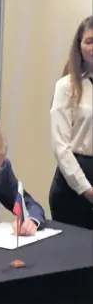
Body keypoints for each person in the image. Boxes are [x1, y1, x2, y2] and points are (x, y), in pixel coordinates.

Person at [49, 15, 93, 230]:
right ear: (79, 45)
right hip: (75, 181)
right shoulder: (67, 86)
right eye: (89, 41)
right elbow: (61, 146)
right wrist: (86, 189)